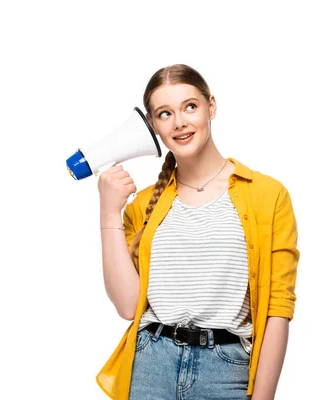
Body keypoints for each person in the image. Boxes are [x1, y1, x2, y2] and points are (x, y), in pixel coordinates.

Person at [95, 64, 299, 399]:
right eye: (164, 113)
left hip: (227, 371)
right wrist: (108, 212)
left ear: (211, 107)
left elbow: (278, 307)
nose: (179, 123)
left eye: (190, 106)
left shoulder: (267, 195)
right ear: (154, 127)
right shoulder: (143, 204)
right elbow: (128, 306)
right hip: (149, 366)